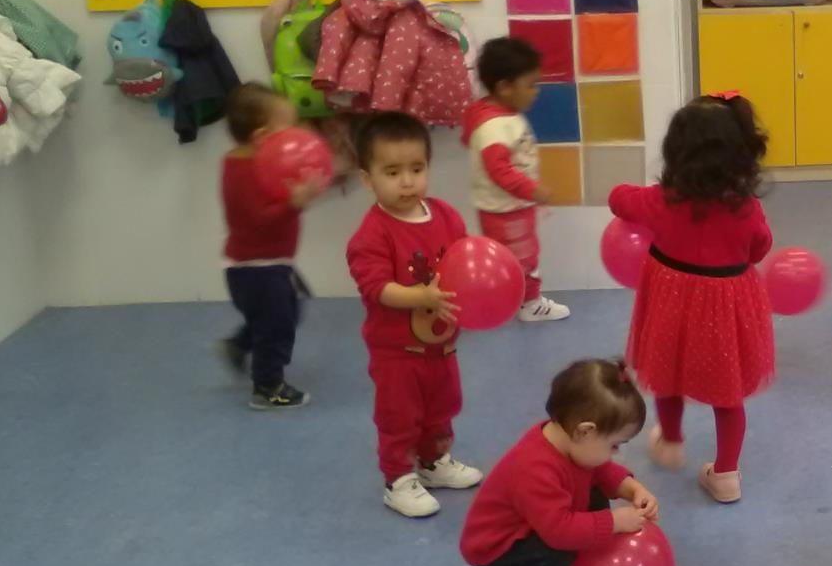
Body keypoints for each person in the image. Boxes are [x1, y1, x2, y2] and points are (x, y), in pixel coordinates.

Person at [608, 93, 775, 505]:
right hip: (727, 304)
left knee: (668, 374)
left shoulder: (661, 200)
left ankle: (671, 439)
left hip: (671, 302)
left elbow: (618, 199)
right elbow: (759, 248)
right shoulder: (746, 208)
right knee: (728, 393)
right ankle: (726, 473)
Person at [345, 112, 483, 518]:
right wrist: (421, 294)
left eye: (416, 169)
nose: (407, 181)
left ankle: (434, 461)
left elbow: (463, 261)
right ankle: (398, 478)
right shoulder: (372, 235)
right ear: (368, 179)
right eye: (392, 171)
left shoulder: (445, 215)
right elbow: (377, 288)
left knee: (443, 405)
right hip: (397, 351)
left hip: (442, 345)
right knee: (399, 415)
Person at [460, 358, 660, 566]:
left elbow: (601, 471)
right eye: (614, 444)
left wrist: (632, 489)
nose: (615, 452)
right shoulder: (534, 469)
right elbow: (559, 532)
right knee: (558, 543)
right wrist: (614, 522)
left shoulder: (570, 442)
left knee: (591, 498)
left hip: (535, 526)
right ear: (585, 431)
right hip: (496, 549)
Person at [217, 82, 323, 410]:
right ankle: (268, 386)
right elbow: (258, 219)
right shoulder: (242, 171)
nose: (297, 135)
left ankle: (239, 345)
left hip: (269, 262)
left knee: (284, 314)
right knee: (277, 324)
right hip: (255, 268)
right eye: (289, 128)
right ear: (262, 136)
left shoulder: (264, 162)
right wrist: (295, 203)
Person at [462, 36, 569, 322]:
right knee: (523, 258)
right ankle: (529, 304)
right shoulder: (495, 126)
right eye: (531, 84)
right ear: (504, 87)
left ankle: (501, 302)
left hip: (505, 208)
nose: (536, 92)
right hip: (507, 210)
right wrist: (532, 190)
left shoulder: (496, 116)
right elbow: (499, 170)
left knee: (507, 258)